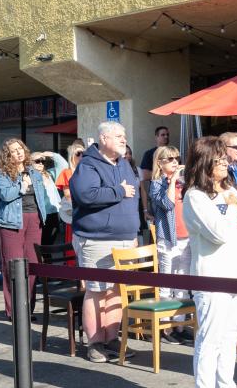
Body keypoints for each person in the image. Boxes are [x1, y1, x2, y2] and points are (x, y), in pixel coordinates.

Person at [183, 136, 237, 388]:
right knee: (210, 338)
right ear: (204, 163)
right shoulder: (195, 197)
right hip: (212, 276)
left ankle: (226, 384)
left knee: (231, 336)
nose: (226, 163)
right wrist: (234, 207)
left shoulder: (230, 190)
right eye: (219, 159)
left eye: (226, 158)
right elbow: (219, 233)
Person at [70, 121, 140, 363]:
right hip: (96, 239)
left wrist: (133, 232)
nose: (123, 139)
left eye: (124, 135)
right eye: (118, 136)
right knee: (97, 291)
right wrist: (118, 192)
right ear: (103, 139)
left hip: (125, 238)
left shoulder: (123, 164)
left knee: (116, 292)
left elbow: (135, 197)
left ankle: (111, 339)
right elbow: (85, 195)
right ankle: (95, 342)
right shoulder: (88, 165)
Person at [0, 139, 49, 320]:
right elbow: (6, 195)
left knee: (32, 266)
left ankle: (27, 309)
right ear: (7, 156)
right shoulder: (2, 173)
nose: (19, 153)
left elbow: (42, 196)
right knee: (12, 267)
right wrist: (21, 186)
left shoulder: (33, 171)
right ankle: (14, 311)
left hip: (34, 220)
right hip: (11, 223)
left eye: (20, 149)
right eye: (14, 151)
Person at [148, 145, 194, 345]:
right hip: (168, 238)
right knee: (166, 284)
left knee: (183, 283)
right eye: (170, 159)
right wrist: (173, 180)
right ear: (160, 163)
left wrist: (181, 180)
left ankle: (180, 325)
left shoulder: (184, 183)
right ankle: (165, 328)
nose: (175, 161)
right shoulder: (157, 184)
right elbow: (167, 204)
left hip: (187, 237)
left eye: (177, 157)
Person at [30, 152, 64, 246]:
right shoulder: (28, 177)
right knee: (41, 242)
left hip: (54, 212)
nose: (41, 163)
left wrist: (52, 155)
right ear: (30, 163)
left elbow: (63, 165)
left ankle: (46, 259)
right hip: (40, 214)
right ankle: (43, 260)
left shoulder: (49, 174)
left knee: (50, 241)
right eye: (37, 161)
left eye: (43, 161)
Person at [140, 126, 170, 226]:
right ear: (156, 137)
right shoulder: (149, 154)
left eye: (167, 135)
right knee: (160, 224)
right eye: (163, 135)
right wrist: (164, 173)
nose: (166, 137)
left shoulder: (173, 153)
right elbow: (144, 175)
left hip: (172, 191)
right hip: (157, 194)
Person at [55, 143, 85, 243]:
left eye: (84, 153)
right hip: (75, 210)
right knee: (73, 243)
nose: (82, 155)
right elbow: (67, 195)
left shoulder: (89, 171)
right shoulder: (67, 172)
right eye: (78, 153)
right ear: (72, 156)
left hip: (87, 211)